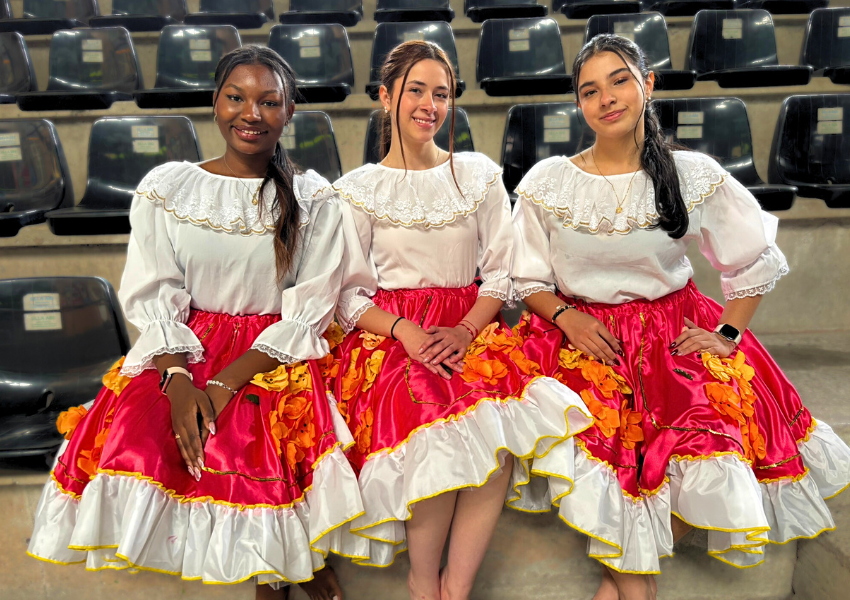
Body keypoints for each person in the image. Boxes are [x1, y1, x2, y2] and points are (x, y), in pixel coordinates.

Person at [511, 34, 850, 600]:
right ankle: (628, 587)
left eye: (620, 80)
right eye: (590, 90)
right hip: (579, 337)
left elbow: (753, 258)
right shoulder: (549, 182)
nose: (607, 99)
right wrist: (568, 319)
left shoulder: (692, 173)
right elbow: (527, 280)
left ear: (648, 84)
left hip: (669, 333)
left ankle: (620, 584)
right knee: (597, 449)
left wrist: (728, 332)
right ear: (579, 104)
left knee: (698, 439)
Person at [27, 46, 361, 600]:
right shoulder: (168, 187)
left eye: (268, 101)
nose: (250, 113)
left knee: (260, 448)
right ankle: (287, 564)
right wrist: (181, 382)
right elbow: (156, 290)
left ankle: (287, 566)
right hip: (186, 353)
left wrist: (229, 383)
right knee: (157, 436)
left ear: (290, 112)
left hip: (273, 355)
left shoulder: (314, 197)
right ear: (214, 103)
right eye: (236, 97)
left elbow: (309, 309)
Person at [329, 40, 593, 600]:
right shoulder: (356, 191)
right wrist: (405, 331)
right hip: (393, 333)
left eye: (441, 93)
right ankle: (423, 582)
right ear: (385, 97)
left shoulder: (476, 175)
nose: (430, 104)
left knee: (493, 433)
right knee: (433, 430)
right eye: (416, 90)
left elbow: (504, 272)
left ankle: (457, 586)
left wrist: (467, 329)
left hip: (470, 322)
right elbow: (348, 296)